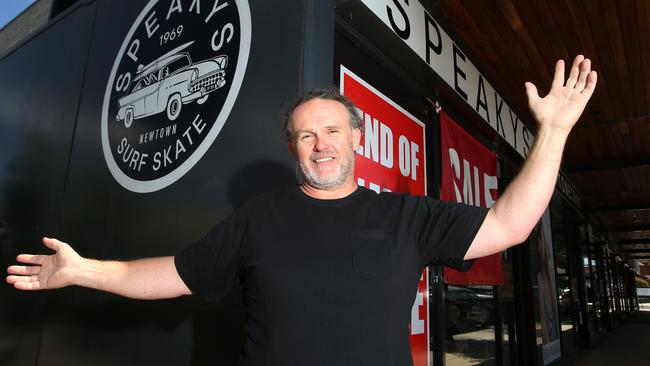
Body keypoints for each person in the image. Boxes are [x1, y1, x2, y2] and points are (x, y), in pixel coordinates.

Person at [6, 55, 596, 365]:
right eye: (307, 135)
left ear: (356, 139)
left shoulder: (407, 217)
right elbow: (171, 275)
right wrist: (83, 270)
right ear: (293, 147)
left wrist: (554, 132)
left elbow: (511, 225)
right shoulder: (258, 218)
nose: (322, 145)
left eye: (333, 131)